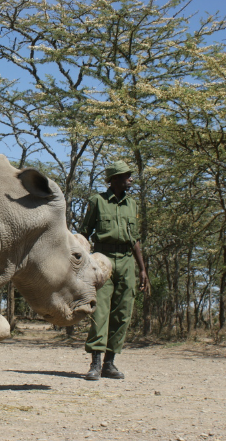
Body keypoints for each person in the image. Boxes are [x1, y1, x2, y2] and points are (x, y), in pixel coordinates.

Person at [79, 160, 149, 380]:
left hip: (127, 261)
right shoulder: (97, 202)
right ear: (115, 179)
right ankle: (95, 364)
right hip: (102, 259)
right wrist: (85, 265)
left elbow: (135, 239)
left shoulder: (133, 204)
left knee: (122, 312)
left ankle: (110, 364)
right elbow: (83, 234)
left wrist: (142, 269)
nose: (130, 179)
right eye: (127, 176)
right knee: (100, 311)